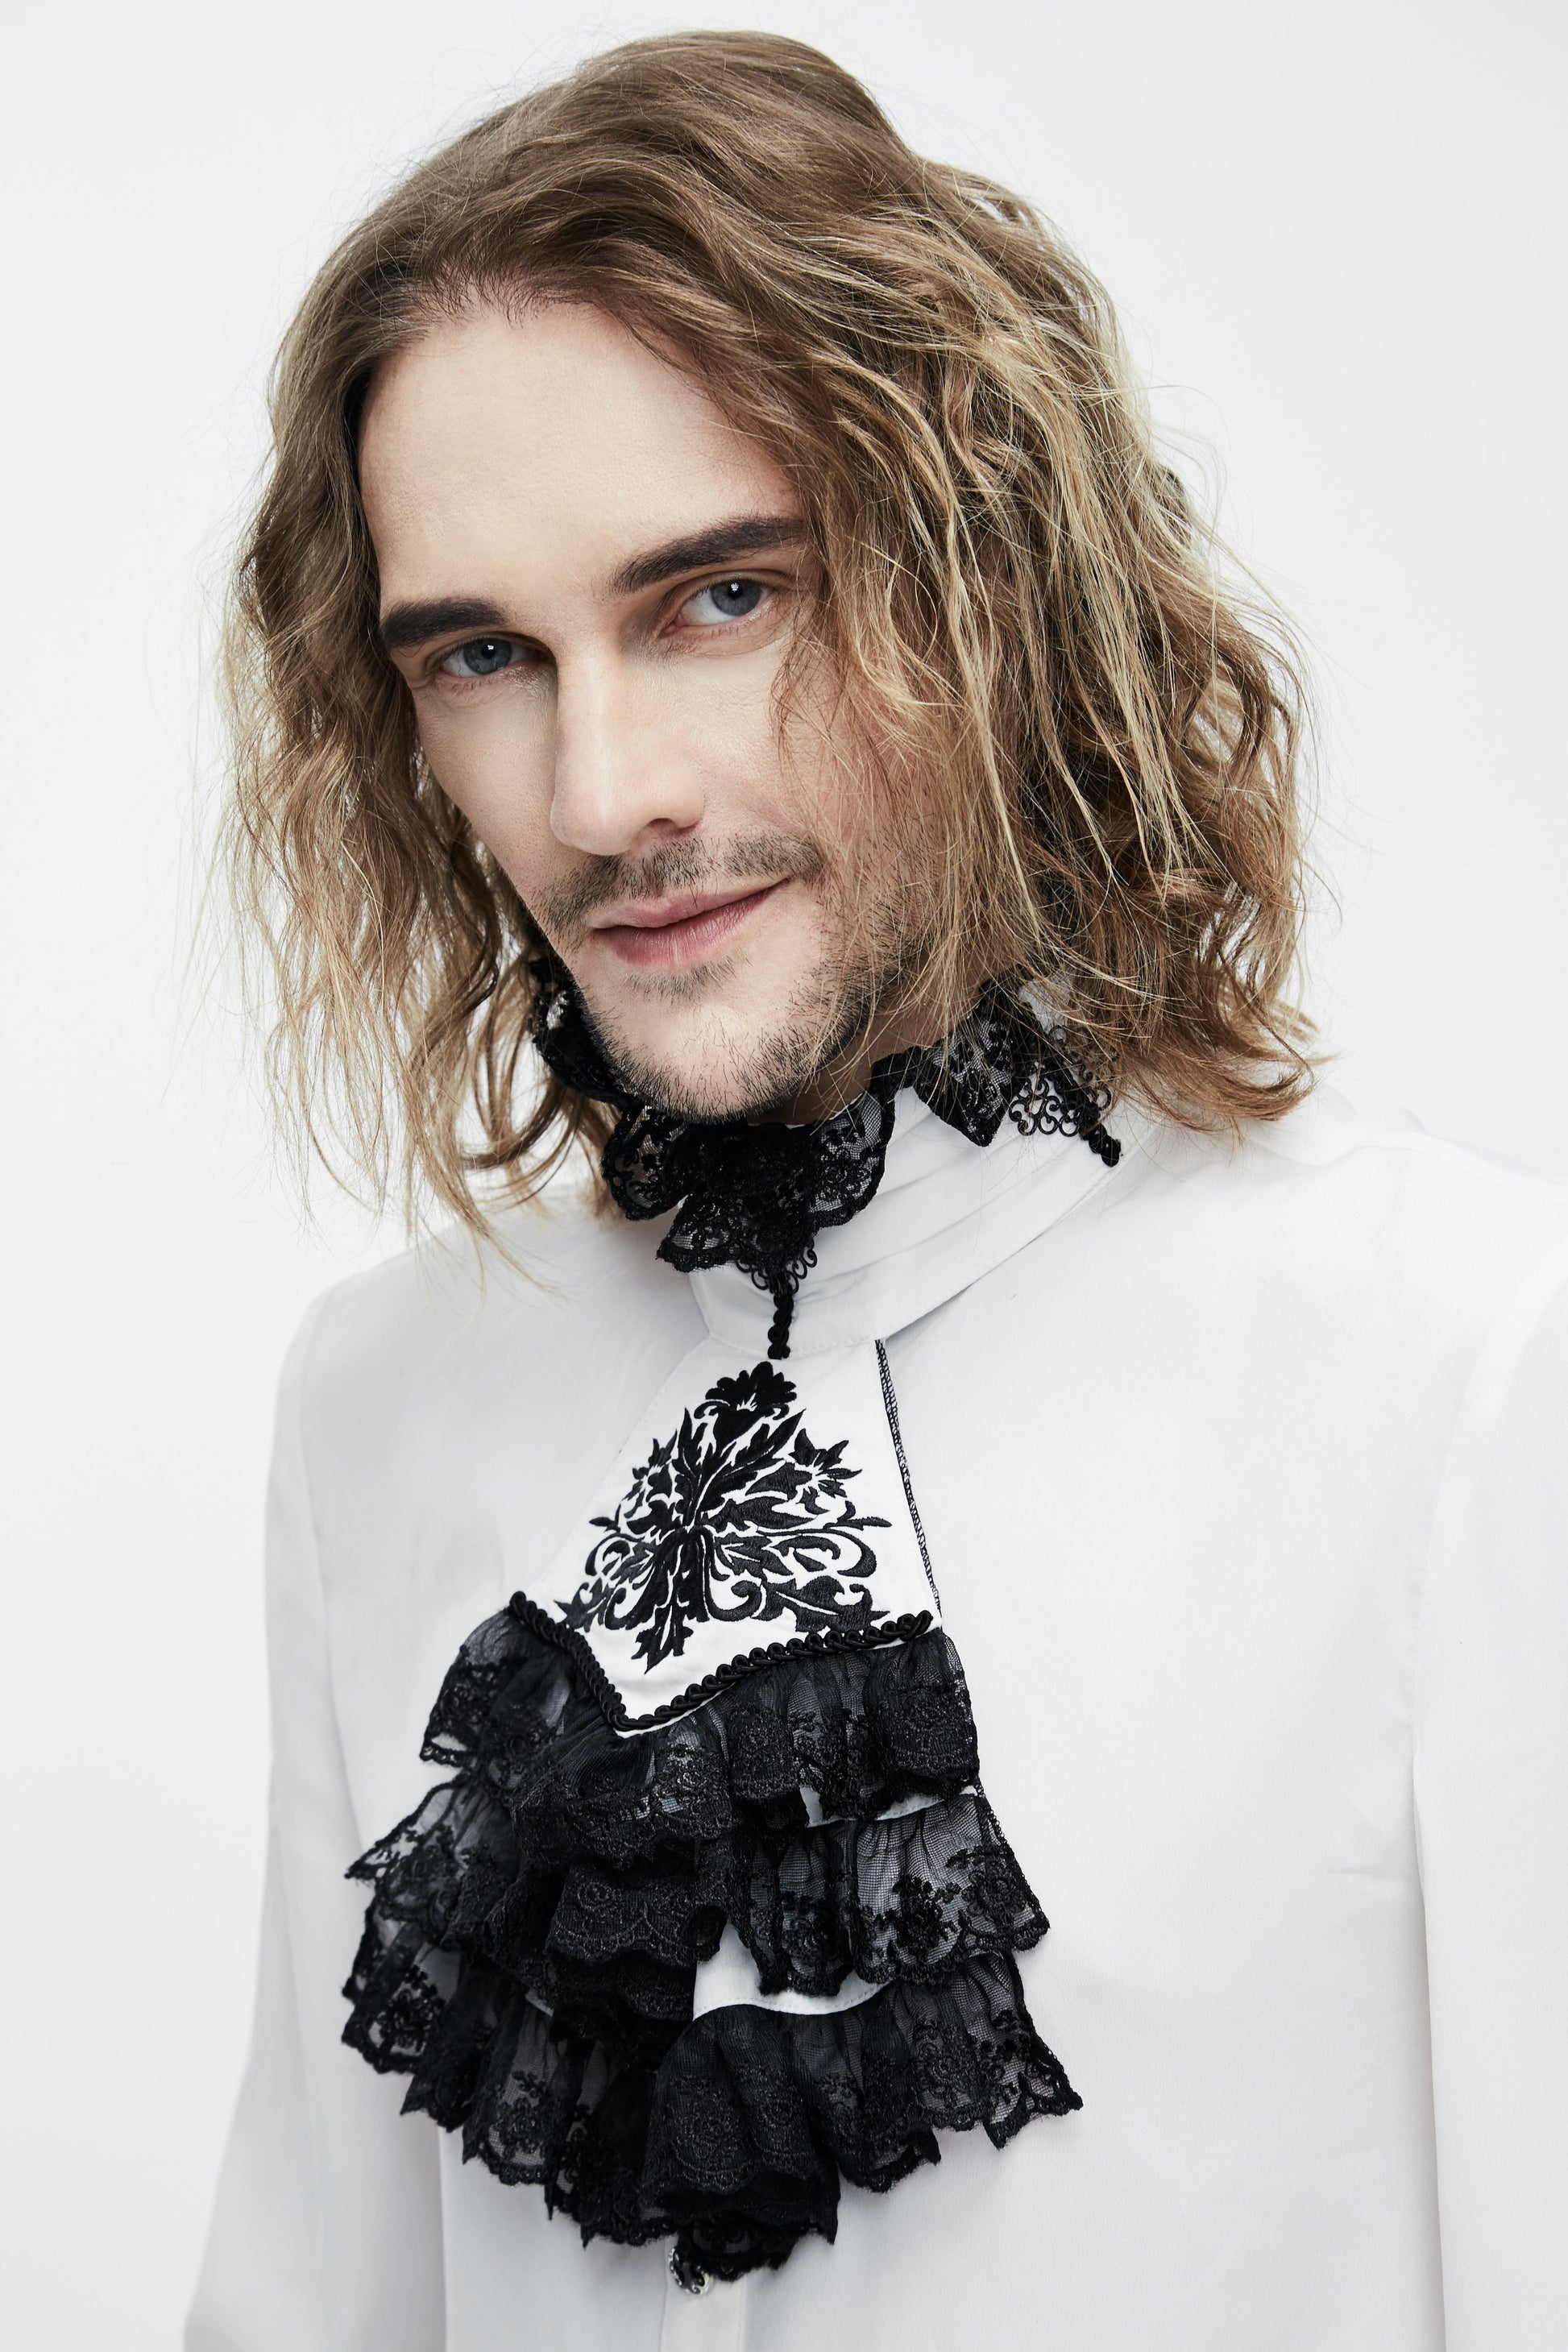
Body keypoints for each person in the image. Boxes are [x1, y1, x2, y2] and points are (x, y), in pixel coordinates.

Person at [186, 31, 1568, 2352]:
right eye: (486, 655)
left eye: (720, 597)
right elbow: (310, 2299)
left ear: (992, 580)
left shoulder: (1473, 1368)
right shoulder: (378, 1401)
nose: (602, 793)